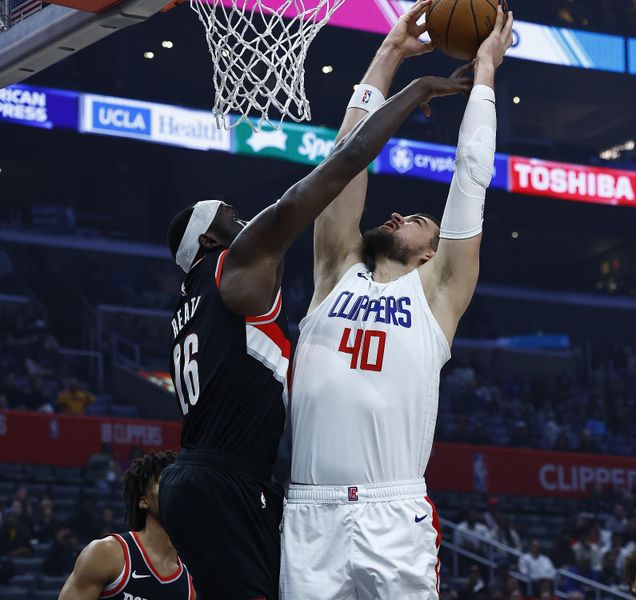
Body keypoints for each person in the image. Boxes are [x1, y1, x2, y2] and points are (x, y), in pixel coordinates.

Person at [157, 28, 471, 600]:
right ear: (210, 240)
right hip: (239, 480)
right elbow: (340, 168)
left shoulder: (190, 299)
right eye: (231, 215)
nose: (244, 217)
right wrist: (410, 87)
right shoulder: (241, 261)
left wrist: (389, 55)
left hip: (218, 475)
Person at [281, 3, 514, 598]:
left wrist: (485, 72)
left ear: (432, 254)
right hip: (310, 513)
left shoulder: (439, 293)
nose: (396, 215)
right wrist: (387, 56)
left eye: (415, 219)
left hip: (395, 510)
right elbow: (342, 165)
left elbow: (470, 179)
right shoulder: (335, 271)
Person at [59, 451, 193, 600]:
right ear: (144, 501)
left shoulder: (191, 582)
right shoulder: (107, 553)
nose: (177, 492)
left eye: (181, 486)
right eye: (167, 483)